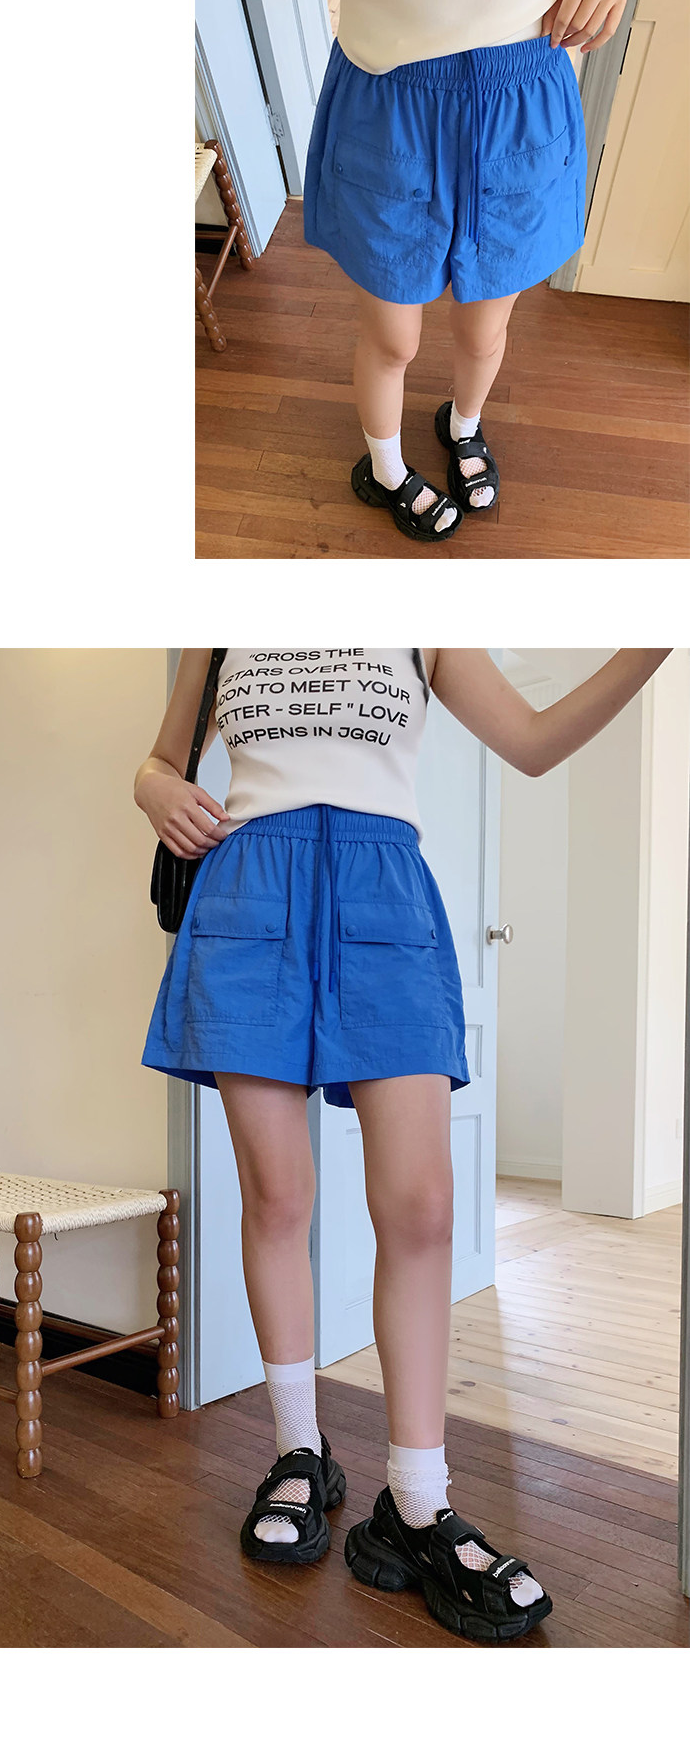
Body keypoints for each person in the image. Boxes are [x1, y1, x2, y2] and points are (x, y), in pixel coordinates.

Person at [135, 640, 668, 1631]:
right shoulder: (224, 620)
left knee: (423, 1206)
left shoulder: (423, 619)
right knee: (277, 1195)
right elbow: (160, 760)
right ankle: (298, 1452)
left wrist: (652, 640)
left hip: (383, 891)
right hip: (249, 890)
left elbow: (534, 741)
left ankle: (417, 1501)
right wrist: (156, 788)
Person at [303, 0, 648, 529]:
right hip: (391, 94)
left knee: (485, 330)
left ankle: (464, 426)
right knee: (392, 338)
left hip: (521, 90)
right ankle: (384, 469)